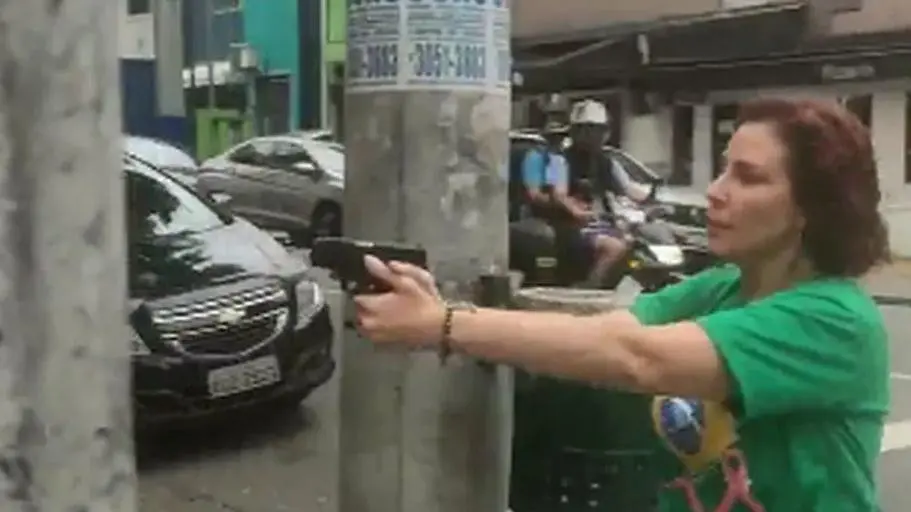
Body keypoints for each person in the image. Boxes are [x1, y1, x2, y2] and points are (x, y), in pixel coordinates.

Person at [353, 98, 890, 511]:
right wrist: (447, 313)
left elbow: (637, 357)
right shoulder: (723, 287)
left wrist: (443, 324)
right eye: (724, 169)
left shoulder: (834, 320)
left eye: (748, 178)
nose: (715, 191)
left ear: (810, 208)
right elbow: (611, 329)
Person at [518, 118, 622, 286]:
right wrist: (571, 207)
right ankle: (589, 287)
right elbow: (537, 195)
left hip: (572, 216)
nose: (557, 141)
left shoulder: (563, 161)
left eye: (561, 137)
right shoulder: (537, 158)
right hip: (551, 218)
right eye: (553, 137)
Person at [564, 99, 653, 283]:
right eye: (586, 129)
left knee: (639, 243)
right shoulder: (561, 161)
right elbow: (555, 196)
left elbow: (628, 189)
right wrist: (575, 209)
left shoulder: (606, 162)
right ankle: (588, 292)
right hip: (572, 225)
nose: (593, 135)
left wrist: (653, 199)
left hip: (601, 224)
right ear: (574, 132)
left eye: (597, 129)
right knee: (614, 248)